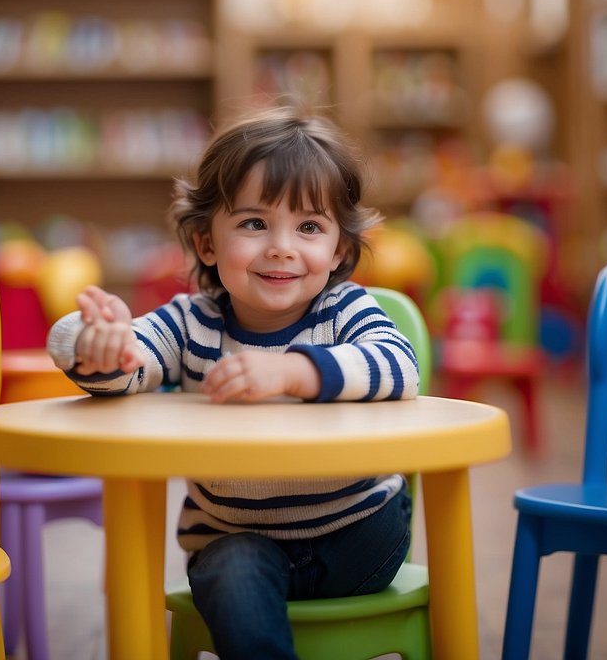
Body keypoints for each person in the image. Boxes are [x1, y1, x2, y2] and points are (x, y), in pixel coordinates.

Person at [46, 107, 421, 660]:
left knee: (290, 554)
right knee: (232, 574)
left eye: (310, 227)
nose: (281, 247)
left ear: (339, 249)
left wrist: (296, 370)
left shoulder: (345, 310)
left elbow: (399, 365)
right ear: (206, 244)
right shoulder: (190, 322)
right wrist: (96, 345)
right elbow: (130, 363)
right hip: (235, 544)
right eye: (253, 223)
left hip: (359, 535)